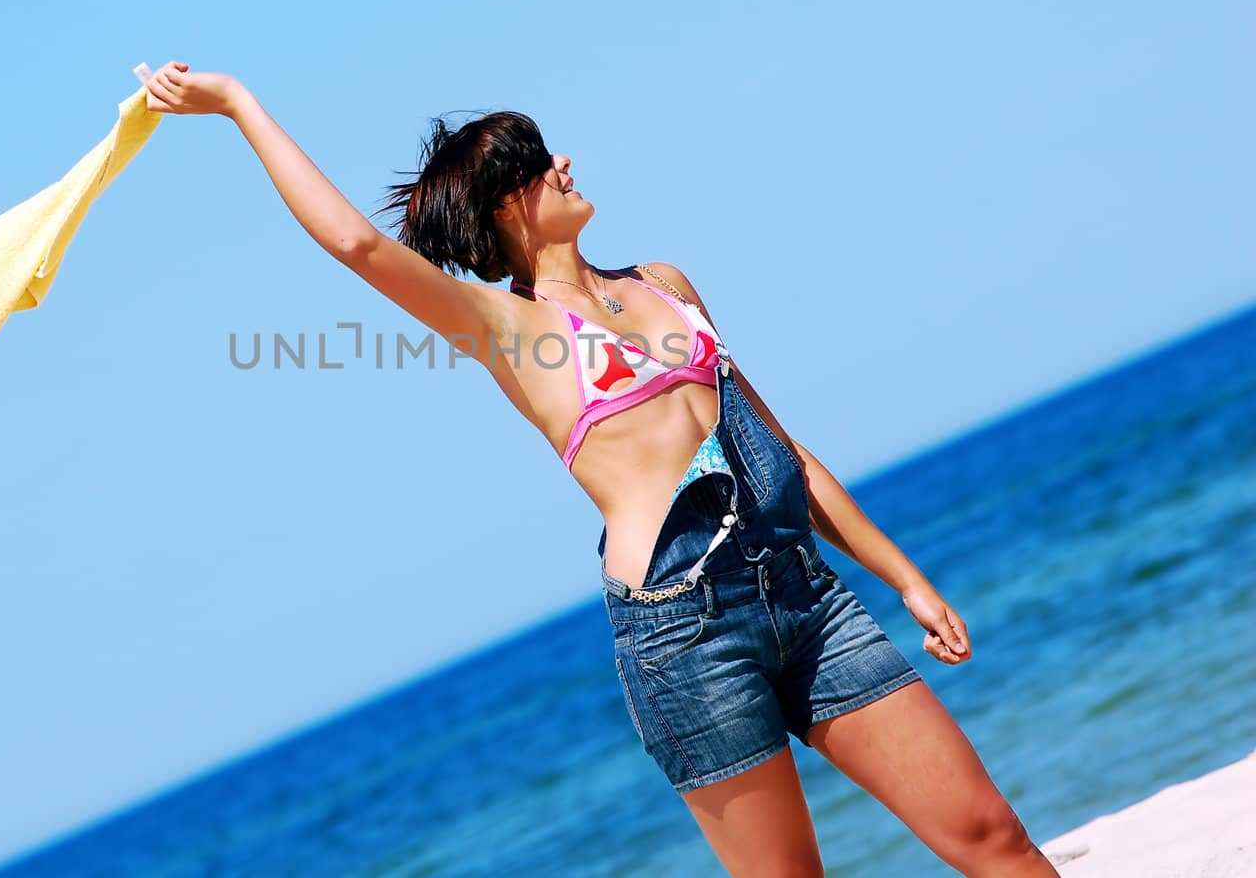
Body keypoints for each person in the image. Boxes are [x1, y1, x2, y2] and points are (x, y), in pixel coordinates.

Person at [142, 62, 1057, 876]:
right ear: (508, 204)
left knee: (990, 834)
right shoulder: (510, 331)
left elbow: (784, 450)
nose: (565, 165)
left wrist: (906, 579)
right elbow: (357, 245)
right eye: (541, 165)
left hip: (807, 597)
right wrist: (236, 104)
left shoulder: (665, 282)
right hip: (685, 638)